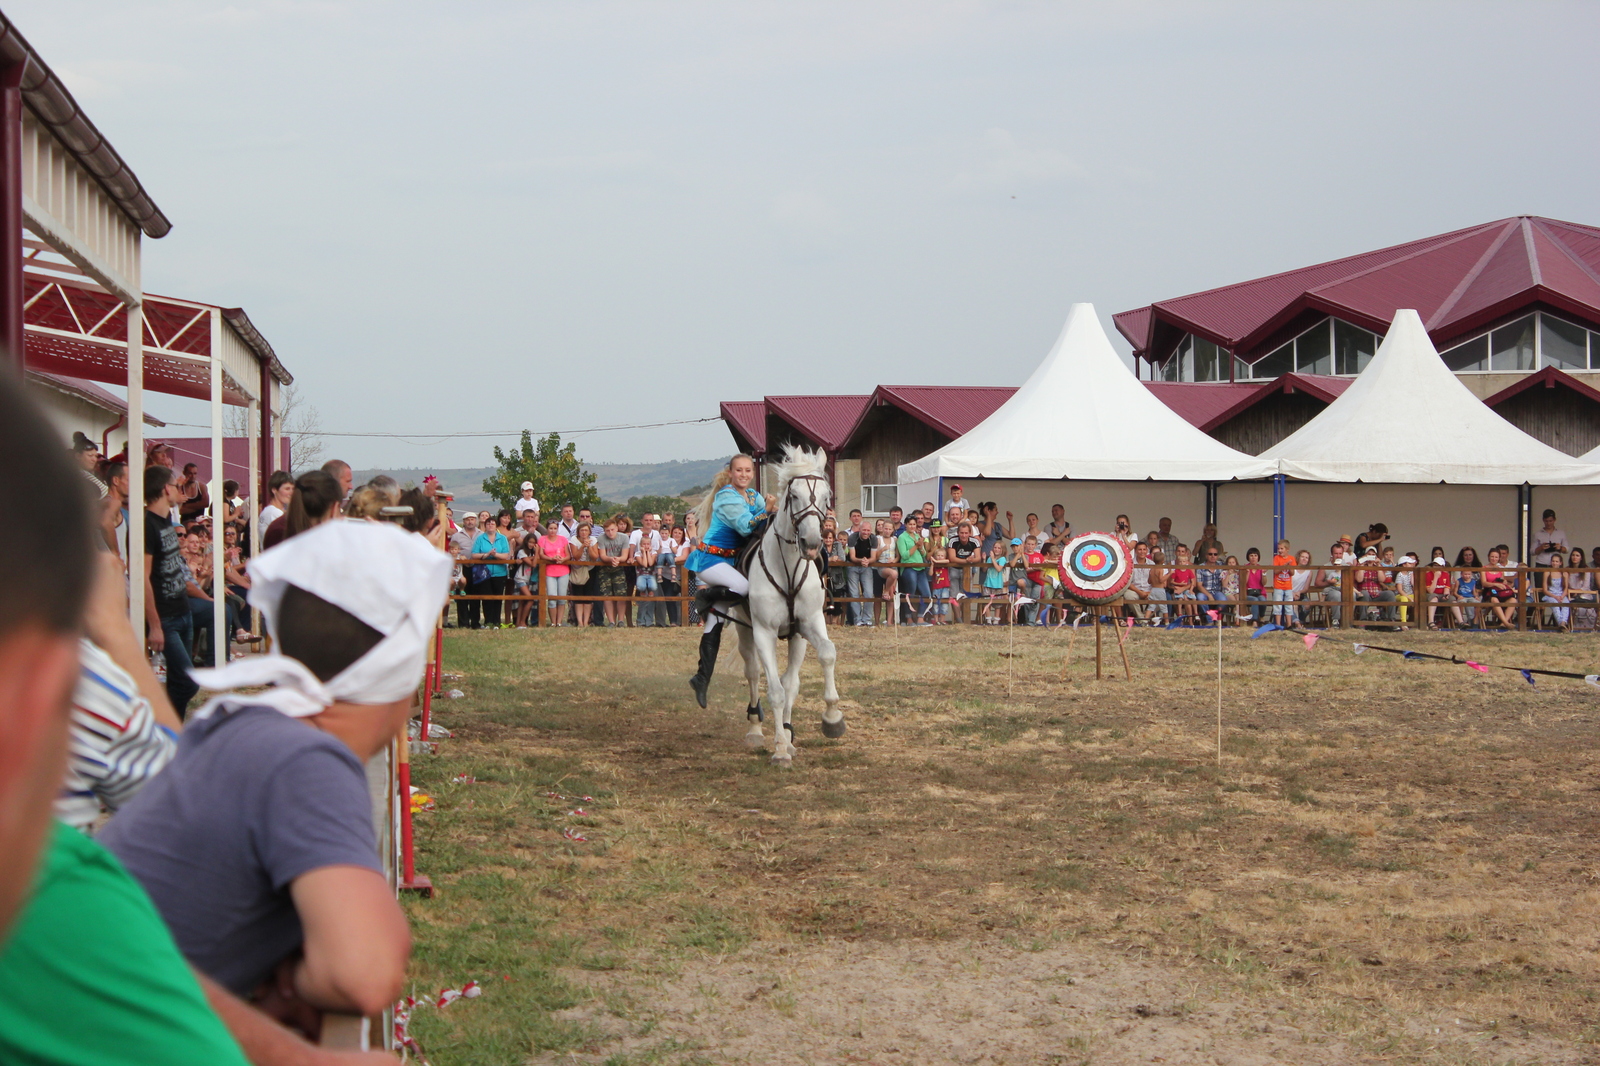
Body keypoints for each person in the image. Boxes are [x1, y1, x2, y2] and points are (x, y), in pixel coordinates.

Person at [101, 520, 448, 1051]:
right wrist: (293, 981)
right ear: (403, 664)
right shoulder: (306, 760)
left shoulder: (245, 725)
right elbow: (365, 971)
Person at [685, 455, 771, 708]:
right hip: (710, 561)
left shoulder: (755, 496)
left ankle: (701, 678)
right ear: (731, 473)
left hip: (730, 564)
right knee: (744, 588)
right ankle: (706, 596)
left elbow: (764, 524)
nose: (743, 474)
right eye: (739, 470)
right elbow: (746, 527)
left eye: (747, 470)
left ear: (752, 473)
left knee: (715, 621)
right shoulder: (726, 495)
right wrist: (767, 511)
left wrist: (770, 512)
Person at [142, 465, 202, 717]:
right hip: (165, 616)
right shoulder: (146, 525)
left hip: (182, 609)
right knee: (188, 681)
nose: (181, 491)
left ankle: (173, 733)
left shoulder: (167, 520)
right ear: (166, 489)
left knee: (179, 681)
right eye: (176, 487)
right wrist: (154, 624)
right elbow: (141, 577)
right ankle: (164, 722)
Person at [471, 509, 512, 628]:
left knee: (498, 597)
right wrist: (486, 555)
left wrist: (495, 555)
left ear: (495, 525)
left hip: (500, 572)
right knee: (486, 597)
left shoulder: (503, 538)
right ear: (485, 525)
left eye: (492, 523)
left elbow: (506, 555)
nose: (490, 525)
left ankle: (496, 621)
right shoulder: (480, 538)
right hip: (485, 572)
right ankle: (488, 621)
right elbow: (474, 554)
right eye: (488, 523)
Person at [596, 518, 631, 628]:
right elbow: (602, 555)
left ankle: (620, 620)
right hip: (605, 568)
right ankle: (611, 621)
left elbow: (625, 555)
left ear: (616, 528)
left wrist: (618, 560)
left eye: (612, 530)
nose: (610, 533)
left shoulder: (624, 537)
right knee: (607, 595)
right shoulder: (601, 538)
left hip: (619, 567)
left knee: (621, 594)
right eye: (607, 530)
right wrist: (612, 559)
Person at [897, 513, 930, 624]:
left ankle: (920, 617)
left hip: (920, 568)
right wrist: (915, 546)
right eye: (910, 524)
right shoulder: (902, 537)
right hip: (909, 568)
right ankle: (909, 618)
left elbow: (924, 554)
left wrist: (920, 547)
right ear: (906, 525)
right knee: (909, 593)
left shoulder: (917, 536)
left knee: (926, 593)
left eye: (914, 524)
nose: (912, 526)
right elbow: (904, 555)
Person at [537, 519, 572, 627]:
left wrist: (562, 559)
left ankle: (559, 622)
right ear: (547, 529)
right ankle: (553, 622)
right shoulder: (543, 539)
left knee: (561, 598)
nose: (553, 531)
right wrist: (551, 558)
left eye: (555, 528)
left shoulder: (563, 539)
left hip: (563, 570)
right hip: (549, 571)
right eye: (550, 528)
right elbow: (541, 554)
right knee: (552, 597)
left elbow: (568, 555)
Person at [449, 512, 481, 630]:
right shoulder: (457, 536)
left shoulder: (481, 534)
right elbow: (452, 550)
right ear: (463, 522)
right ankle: (463, 623)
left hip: (477, 568)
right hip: (462, 568)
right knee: (462, 595)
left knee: (475, 595)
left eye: (472, 519)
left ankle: (475, 622)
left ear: (476, 521)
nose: (470, 522)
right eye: (467, 519)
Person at [848, 516, 879, 626]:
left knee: (869, 593)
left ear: (871, 531)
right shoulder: (852, 537)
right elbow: (852, 556)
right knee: (854, 593)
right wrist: (861, 560)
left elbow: (874, 557)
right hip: (853, 566)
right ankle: (857, 619)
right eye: (864, 530)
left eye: (868, 530)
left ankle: (867, 619)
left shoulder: (874, 539)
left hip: (867, 566)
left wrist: (867, 561)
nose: (866, 533)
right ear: (859, 530)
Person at [565, 522, 597, 627]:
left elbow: (594, 557)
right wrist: (583, 546)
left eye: (586, 530)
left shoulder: (593, 540)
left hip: (589, 570)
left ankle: (586, 621)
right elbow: (576, 556)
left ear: (589, 532)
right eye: (582, 530)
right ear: (578, 531)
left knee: (588, 596)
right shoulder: (573, 540)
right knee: (578, 596)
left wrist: (589, 547)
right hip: (577, 570)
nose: (584, 532)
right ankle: (579, 622)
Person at [1567, 547, 1595, 630]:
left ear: (1581, 558)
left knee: (1583, 605)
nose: (1574, 557)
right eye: (1573, 555)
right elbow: (1565, 584)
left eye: (1577, 555)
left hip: (1584, 593)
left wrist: (1577, 592)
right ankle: (1573, 626)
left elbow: (1586, 586)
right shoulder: (1567, 569)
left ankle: (1587, 627)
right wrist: (1572, 592)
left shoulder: (1586, 569)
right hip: (1570, 594)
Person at [980, 539, 1007, 624]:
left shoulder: (1002, 559)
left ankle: (996, 620)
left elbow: (999, 569)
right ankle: (988, 619)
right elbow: (984, 570)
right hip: (988, 583)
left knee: (997, 604)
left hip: (997, 585)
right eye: (995, 547)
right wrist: (984, 560)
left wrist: (993, 559)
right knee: (986, 601)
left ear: (1002, 550)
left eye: (999, 548)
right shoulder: (990, 558)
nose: (996, 549)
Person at [1453, 546, 1481, 627]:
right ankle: (1463, 621)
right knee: (1464, 601)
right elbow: (1455, 589)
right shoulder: (1458, 569)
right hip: (1462, 594)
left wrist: (1476, 596)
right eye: (1466, 555)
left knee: (1477, 601)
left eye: (1470, 555)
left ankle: (1474, 622)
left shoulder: (1478, 567)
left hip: (1474, 593)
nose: (1468, 557)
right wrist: (1458, 596)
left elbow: (1475, 589)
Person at [1270, 539, 1295, 626]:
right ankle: (1278, 624)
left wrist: (1289, 567)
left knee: (1289, 605)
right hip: (1278, 585)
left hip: (1288, 586)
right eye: (1279, 549)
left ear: (1287, 549)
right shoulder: (1276, 558)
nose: (1279, 551)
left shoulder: (1292, 559)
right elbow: (1276, 571)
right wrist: (1283, 566)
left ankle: (1289, 624)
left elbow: (1292, 573)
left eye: (1282, 549)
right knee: (1277, 605)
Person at [1242, 548, 1266, 624]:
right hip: (1247, 593)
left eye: (1255, 555)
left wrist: (1264, 574)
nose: (1253, 558)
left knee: (1262, 600)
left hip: (1259, 592)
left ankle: (1261, 616)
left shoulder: (1261, 568)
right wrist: (1247, 573)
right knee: (1255, 600)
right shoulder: (1244, 568)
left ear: (1258, 557)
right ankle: (1254, 621)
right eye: (1251, 555)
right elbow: (1243, 583)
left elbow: (1264, 583)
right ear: (1248, 557)